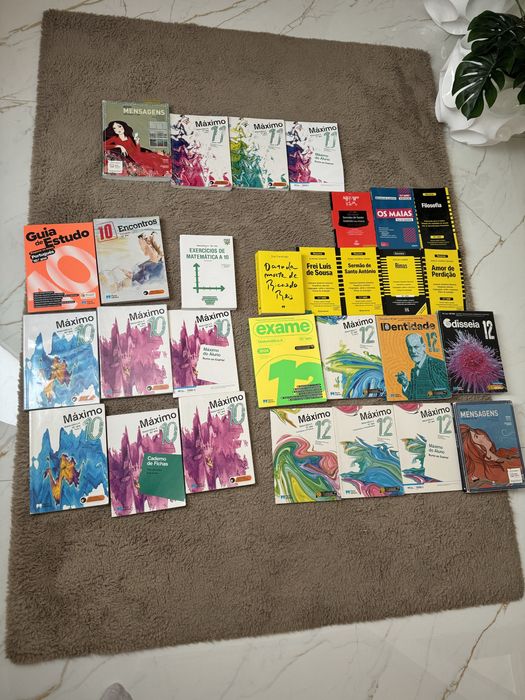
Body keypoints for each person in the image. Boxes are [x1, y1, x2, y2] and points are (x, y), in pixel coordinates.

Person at [103, 120, 170, 176]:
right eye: (115, 128)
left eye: (119, 126)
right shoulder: (115, 138)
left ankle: (168, 169)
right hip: (134, 158)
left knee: (157, 158)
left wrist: (137, 142)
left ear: (123, 127)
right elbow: (104, 145)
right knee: (153, 163)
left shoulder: (128, 138)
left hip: (139, 155)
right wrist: (119, 146)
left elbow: (137, 150)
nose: (118, 129)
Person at [396, 333, 449, 400]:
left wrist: (429, 393)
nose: (413, 351)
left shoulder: (437, 365)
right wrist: (405, 384)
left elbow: (445, 392)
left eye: (416, 347)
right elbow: (414, 396)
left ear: (424, 346)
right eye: (410, 348)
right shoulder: (414, 370)